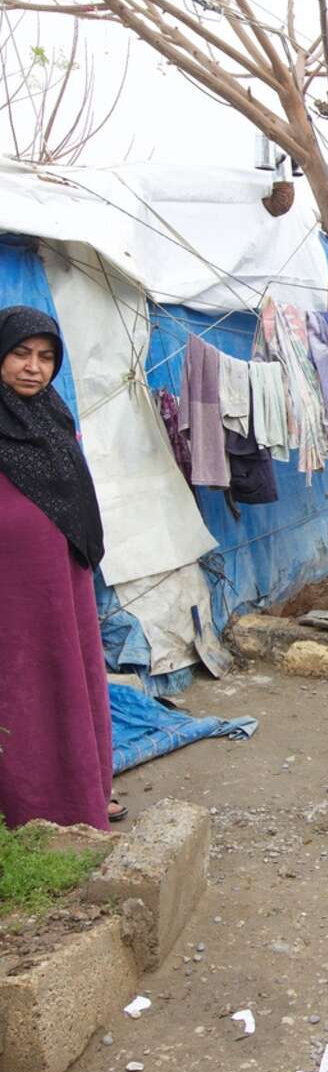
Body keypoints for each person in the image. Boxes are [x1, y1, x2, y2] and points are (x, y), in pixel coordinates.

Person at [0, 305, 122, 831]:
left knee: (69, 674)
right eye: (21, 354)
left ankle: (82, 794)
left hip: (63, 579)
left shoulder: (55, 415)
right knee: (21, 687)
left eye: (46, 357)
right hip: (11, 586)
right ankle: (30, 806)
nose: (34, 367)